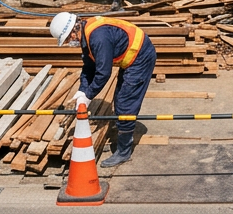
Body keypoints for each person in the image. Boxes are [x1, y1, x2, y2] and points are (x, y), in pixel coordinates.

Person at [51, 11, 156, 168]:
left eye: (68, 39)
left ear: (74, 30)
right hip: (131, 56)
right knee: (120, 97)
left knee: (125, 101)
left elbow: (103, 73)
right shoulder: (87, 34)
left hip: (140, 57)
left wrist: (89, 95)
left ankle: (123, 152)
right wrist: (82, 90)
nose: (70, 42)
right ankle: (121, 133)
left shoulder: (98, 38)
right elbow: (89, 67)